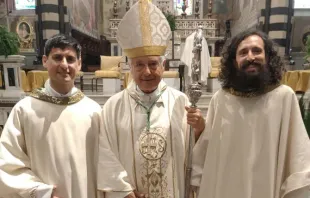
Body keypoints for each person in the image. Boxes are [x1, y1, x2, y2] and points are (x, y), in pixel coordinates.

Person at [97, 0, 205, 197]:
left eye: (153, 64)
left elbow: (196, 152)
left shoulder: (181, 102)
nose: (147, 71)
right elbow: (105, 154)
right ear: (130, 66)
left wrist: (199, 129)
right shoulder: (113, 107)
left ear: (163, 66)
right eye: (139, 65)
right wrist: (124, 191)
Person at [191, 29, 310, 198]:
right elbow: (207, 150)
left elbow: (298, 155)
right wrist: (198, 130)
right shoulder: (221, 99)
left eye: (256, 51)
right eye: (243, 52)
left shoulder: (284, 97)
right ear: (234, 61)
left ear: (268, 57)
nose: (250, 57)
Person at [0, 34, 102, 198]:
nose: (64, 65)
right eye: (57, 58)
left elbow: (107, 162)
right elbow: (7, 163)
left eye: (70, 59)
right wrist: (39, 191)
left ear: (79, 63)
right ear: (45, 61)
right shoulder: (25, 110)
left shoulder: (93, 111)